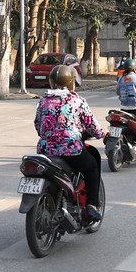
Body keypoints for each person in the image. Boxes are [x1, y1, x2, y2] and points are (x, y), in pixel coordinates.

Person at [35, 64, 105, 224]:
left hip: (45, 151)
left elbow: (38, 126)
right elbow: (92, 126)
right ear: (71, 82)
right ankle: (91, 206)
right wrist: (103, 133)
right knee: (92, 166)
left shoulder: (43, 101)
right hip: (70, 151)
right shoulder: (77, 101)